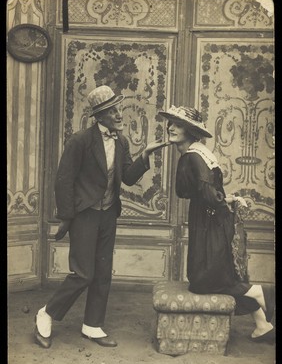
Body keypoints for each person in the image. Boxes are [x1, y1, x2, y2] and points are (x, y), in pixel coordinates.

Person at [34, 85, 170, 349]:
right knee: (83, 273)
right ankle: (47, 313)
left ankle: (92, 325)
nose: (120, 115)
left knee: (103, 273)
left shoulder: (121, 141)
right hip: (85, 214)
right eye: (113, 111)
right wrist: (66, 217)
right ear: (100, 116)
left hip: (108, 214)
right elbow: (64, 181)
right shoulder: (81, 141)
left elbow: (128, 178)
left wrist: (146, 155)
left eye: (119, 109)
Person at [159, 105, 275, 343]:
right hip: (212, 218)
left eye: (178, 124)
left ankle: (260, 292)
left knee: (203, 281)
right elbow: (210, 189)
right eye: (171, 123)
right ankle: (262, 323)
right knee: (218, 276)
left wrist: (222, 204)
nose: (171, 128)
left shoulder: (192, 157)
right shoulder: (199, 153)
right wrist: (227, 200)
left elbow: (206, 193)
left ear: (190, 131)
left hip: (209, 220)